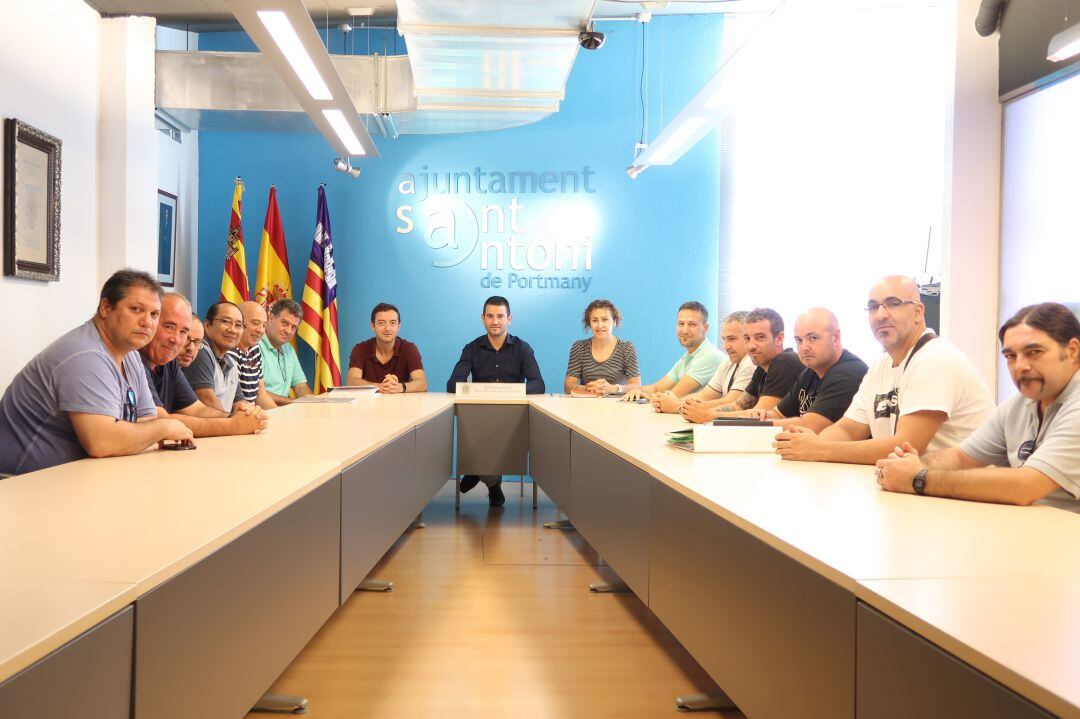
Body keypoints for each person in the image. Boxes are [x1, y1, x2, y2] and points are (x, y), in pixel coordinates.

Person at [876, 302, 1080, 512]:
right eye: (1011, 356)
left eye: (1034, 352)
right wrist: (909, 465)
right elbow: (961, 457)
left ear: (1072, 350)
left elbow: (1025, 486)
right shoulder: (1018, 405)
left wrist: (918, 478)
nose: (1020, 366)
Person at [774, 275, 994, 464]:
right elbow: (848, 430)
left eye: (893, 303)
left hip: (968, 499)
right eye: (873, 307)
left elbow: (906, 446)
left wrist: (819, 449)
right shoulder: (881, 364)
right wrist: (808, 445)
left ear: (918, 312)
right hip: (914, 489)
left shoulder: (934, 359)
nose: (880, 315)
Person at [0, 269, 192, 475]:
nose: (147, 322)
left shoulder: (131, 354)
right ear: (106, 308)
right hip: (18, 483)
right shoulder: (85, 354)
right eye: (136, 309)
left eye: (154, 314)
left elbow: (146, 420)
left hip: (74, 477)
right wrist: (166, 427)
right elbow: (102, 442)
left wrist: (154, 429)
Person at [447, 296, 545, 507]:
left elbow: (539, 385)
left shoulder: (522, 348)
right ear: (483, 318)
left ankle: (478, 470)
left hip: (513, 416)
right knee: (481, 429)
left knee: (495, 434)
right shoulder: (472, 348)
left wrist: (510, 392)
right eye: (490, 316)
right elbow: (453, 384)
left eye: (500, 316)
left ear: (509, 319)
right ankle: (492, 483)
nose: (495, 321)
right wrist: (480, 391)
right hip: (479, 416)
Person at [141, 294, 269, 436]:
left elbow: (197, 409)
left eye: (183, 331)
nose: (177, 340)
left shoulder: (169, 363)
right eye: (169, 326)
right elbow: (159, 421)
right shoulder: (135, 358)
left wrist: (237, 417)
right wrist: (233, 425)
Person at [732, 309, 867, 432]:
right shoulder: (809, 373)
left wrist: (757, 424)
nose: (804, 347)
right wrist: (760, 415)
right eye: (799, 340)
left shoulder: (849, 372)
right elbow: (778, 413)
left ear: (835, 337)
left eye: (813, 338)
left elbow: (810, 426)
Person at [683, 307, 803, 421]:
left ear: (780, 338)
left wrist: (708, 416)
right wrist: (700, 411)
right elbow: (739, 405)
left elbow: (758, 415)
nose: (751, 346)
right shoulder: (762, 367)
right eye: (747, 338)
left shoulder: (784, 362)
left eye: (760, 337)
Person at [654, 311, 754, 414]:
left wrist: (678, 406)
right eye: (724, 339)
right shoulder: (728, 362)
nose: (725, 346)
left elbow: (731, 402)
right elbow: (704, 396)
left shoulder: (751, 362)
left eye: (732, 339)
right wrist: (671, 403)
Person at [623, 301, 722, 402]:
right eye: (681, 324)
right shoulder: (687, 357)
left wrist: (648, 396)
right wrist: (637, 390)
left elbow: (673, 396)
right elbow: (656, 388)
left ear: (705, 328)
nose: (684, 330)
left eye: (692, 324)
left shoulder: (710, 356)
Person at [563, 299, 641, 395]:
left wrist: (613, 388)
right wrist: (591, 388)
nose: (600, 325)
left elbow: (637, 386)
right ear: (589, 323)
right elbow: (568, 386)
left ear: (614, 321)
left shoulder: (627, 348)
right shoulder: (579, 347)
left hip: (619, 406)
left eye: (605, 319)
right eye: (595, 320)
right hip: (586, 405)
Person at [346, 303, 428, 393]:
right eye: (381, 323)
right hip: (368, 405)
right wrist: (379, 387)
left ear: (398, 326)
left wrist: (400, 387)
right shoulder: (360, 349)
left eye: (392, 323)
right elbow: (351, 381)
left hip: (401, 405)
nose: (387, 328)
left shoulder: (409, 348)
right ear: (373, 326)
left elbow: (422, 383)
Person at [182, 302, 247, 413]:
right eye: (225, 321)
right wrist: (234, 423)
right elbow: (207, 399)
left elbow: (239, 402)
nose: (232, 330)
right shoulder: (199, 351)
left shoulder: (230, 361)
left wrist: (248, 412)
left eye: (238, 325)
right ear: (207, 325)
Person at [260, 299, 312, 405]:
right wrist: (295, 402)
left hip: (286, 411)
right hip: (262, 414)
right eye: (284, 323)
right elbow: (257, 393)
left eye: (293, 327)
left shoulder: (289, 349)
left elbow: (300, 386)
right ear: (270, 319)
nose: (288, 331)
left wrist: (312, 402)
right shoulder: (255, 346)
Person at [229, 301, 276, 409]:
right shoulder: (230, 352)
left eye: (264, 325)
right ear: (239, 323)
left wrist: (278, 417)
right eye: (255, 323)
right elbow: (235, 401)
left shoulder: (255, 348)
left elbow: (261, 395)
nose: (260, 330)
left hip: (251, 413)